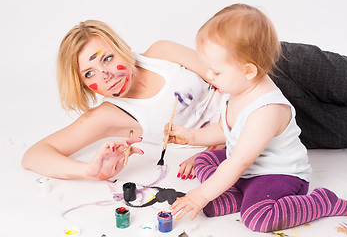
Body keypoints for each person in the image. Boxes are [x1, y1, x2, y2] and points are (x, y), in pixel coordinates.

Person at [168, 3, 347, 232]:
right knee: (202, 160)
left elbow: (239, 161)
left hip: (276, 174)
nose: (208, 76)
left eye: (216, 72)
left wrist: (202, 194)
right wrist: (191, 136)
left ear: (248, 71)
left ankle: (322, 202)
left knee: (257, 218)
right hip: (245, 166)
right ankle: (236, 195)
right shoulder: (238, 89)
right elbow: (225, 129)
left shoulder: (266, 110)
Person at [21, 20, 224, 180]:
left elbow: (227, 76)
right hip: (231, 149)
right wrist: (89, 171)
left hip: (247, 110)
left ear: (121, 46)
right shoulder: (109, 116)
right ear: (82, 85)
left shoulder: (161, 53)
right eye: (90, 74)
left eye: (107, 59)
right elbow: (34, 156)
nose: (106, 75)